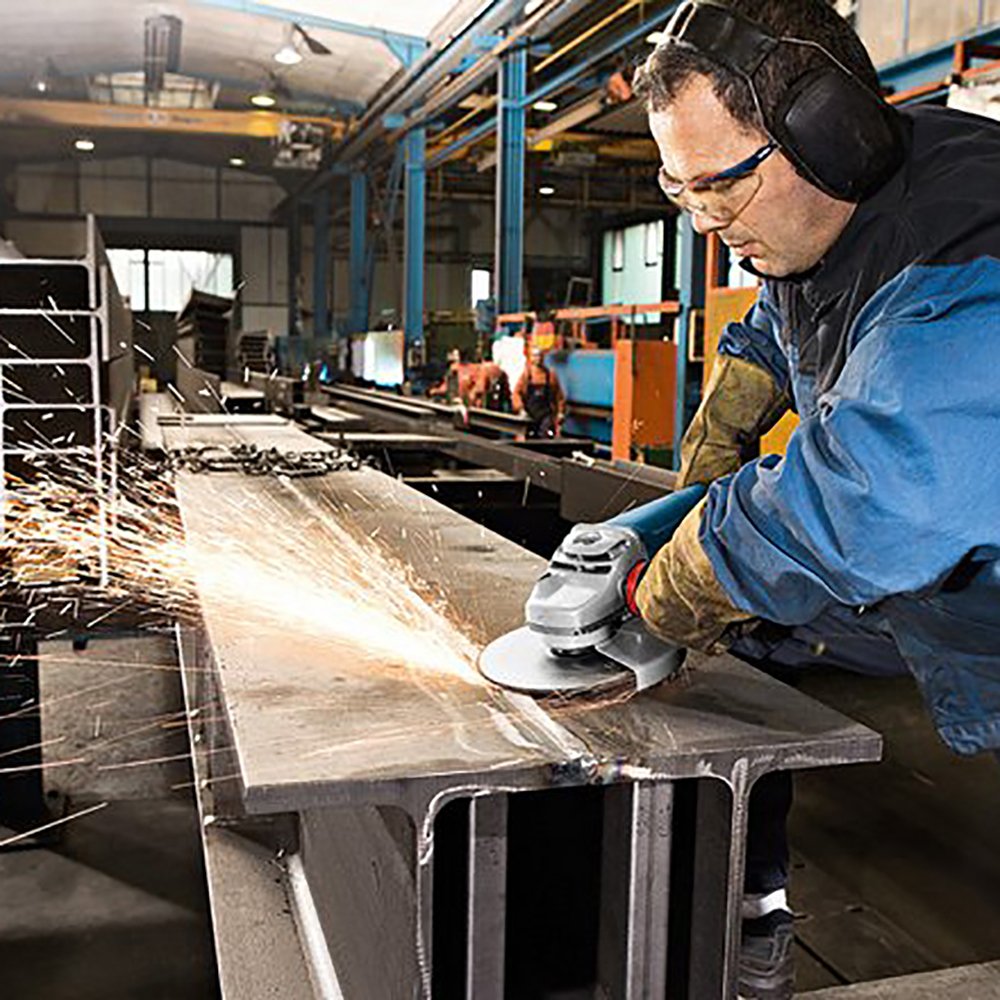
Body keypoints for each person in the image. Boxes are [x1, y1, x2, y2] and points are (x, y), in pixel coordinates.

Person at [629, 2, 1000, 997]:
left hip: (951, 558)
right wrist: (736, 401)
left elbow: (883, 493)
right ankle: (750, 920)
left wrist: (703, 562)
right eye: (678, 188)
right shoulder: (819, 212)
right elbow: (787, 309)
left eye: (719, 184)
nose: (704, 221)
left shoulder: (972, 253)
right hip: (940, 580)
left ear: (834, 135)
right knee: (749, 649)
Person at [512, 345, 565, 438]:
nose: (538, 358)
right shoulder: (527, 375)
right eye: (535, 356)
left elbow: (559, 396)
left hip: (545, 415)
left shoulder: (550, 375)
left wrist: (561, 412)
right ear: (531, 358)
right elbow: (516, 393)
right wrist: (520, 409)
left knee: (545, 436)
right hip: (530, 415)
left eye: (540, 355)